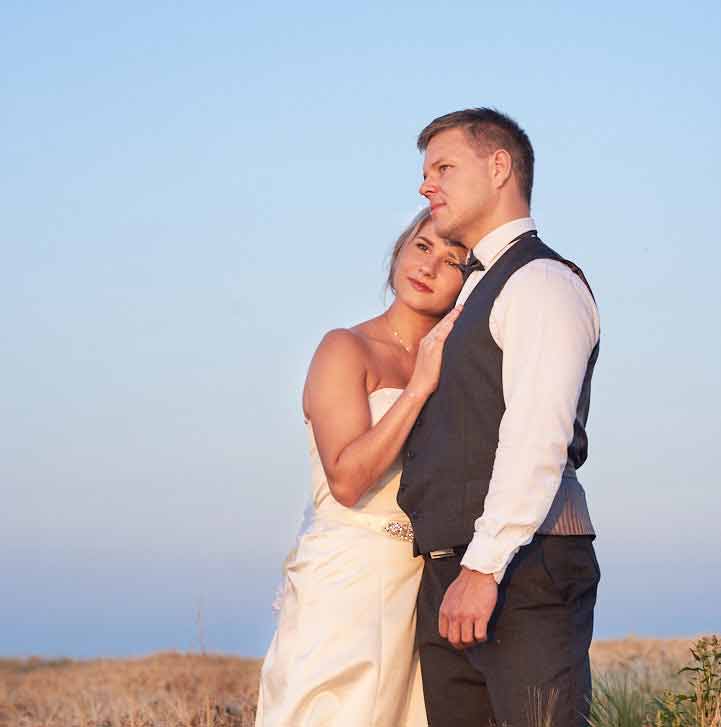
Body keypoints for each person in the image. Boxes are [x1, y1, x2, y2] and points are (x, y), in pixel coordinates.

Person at [398, 108, 601, 727]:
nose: (426, 184)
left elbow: (536, 435)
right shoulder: (472, 290)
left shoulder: (541, 281)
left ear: (498, 167)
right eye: (425, 171)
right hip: (456, 570)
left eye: (443, 167)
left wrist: (482, 568)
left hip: (521, 570)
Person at [255, 208, 466, 727]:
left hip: (425, 583)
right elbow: (347, 480)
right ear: (398, 250)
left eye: (453, 260)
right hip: (348, 576)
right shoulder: (345, 348)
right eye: (422, 247)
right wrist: (418, 387)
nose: (430, 266)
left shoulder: (464, 365)